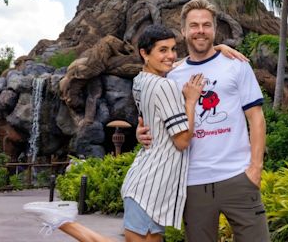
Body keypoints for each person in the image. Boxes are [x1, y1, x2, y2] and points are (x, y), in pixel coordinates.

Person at [23, 24, 246, 241]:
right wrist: (190, 101)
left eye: (172, 49)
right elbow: (182, 141)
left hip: (147, 183)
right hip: (151, 187)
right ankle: (63, 222)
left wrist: (215, 49)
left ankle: (62, 222)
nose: (170, 56)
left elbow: (175, 67)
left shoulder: (141, 80)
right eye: (162, 50)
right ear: (144, 53)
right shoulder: (164, 86)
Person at [137, 0, 270, 242]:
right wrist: (141, 131)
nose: (201, 30)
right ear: (183, 31)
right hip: (192, 182)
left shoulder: (236, 66)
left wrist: (255, 168)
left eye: (206, 25)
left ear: (215, 29)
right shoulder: (171, 76)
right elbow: (155, 119)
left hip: (238, 177)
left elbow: (257, 118)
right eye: (194, 25)